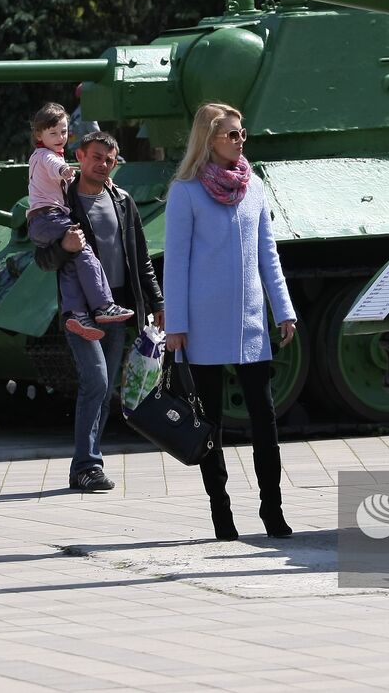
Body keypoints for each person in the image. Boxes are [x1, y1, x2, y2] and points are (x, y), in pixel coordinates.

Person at [164, 103, 298, 540]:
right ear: (210, 139)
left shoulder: (253, 186)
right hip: (202, 324)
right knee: (209, 424)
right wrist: (176, 326)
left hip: (250, 321)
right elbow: (176, 264)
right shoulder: (185, 192)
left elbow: (267, 254)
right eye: (233, 135)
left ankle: (272, 508)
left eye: (243, 134)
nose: (241, 141)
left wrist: (284, 309)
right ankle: (221, 511)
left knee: (265, 417)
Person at [35, 130, 164, 492]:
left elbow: (142, 261)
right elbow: (43, 260)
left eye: (109, 159)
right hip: (82, 313)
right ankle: (87, 465)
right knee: (97, 381)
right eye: (96, 157)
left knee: (104, 390)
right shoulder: (62, 204)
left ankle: (86, 464)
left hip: (118, 310)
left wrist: (159, 303)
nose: (103, 164)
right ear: (79, 156)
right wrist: (63, 245)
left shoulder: (123, 201)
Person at [26, 103, 135, 340]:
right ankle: (104, 305)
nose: (60, 137)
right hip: (49, 216)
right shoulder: (46, 156)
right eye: (53, 133)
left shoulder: (44, 155)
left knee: (71, 263)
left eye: (64, 132)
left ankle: (75, 313)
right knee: (84, 251)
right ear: (39, 135)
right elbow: (56, 167)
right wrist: (65, 170)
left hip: (42, 220)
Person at [67, 82, 100, 156]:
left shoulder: (75, 113)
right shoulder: (88, 113)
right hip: (83, 153)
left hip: (72, 152)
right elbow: (98, 136)